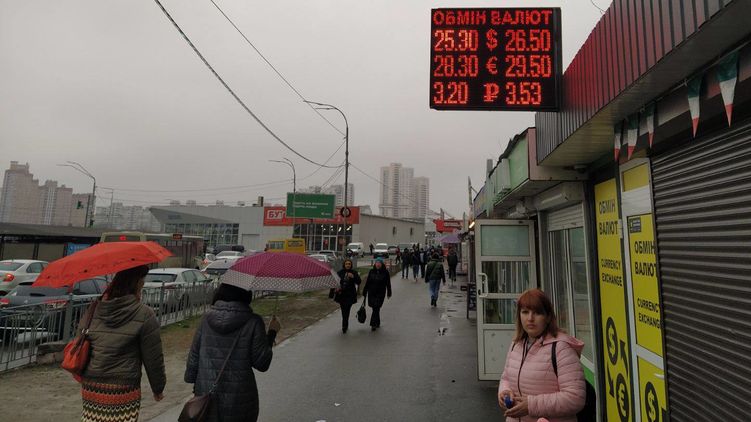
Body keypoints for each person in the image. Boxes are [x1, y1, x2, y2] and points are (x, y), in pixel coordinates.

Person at [79, 264, 165, 422]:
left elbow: (81, 339)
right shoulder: (145, 314)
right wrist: (158, 387)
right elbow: (153, 357)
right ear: (137, 283)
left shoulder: (94, 309)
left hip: (92, 385)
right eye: (142, 281)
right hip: (123, 387)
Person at [185, 283, 281, 422]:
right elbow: (262, 363)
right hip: (240, 398)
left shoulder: (206, 319)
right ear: (246, 294)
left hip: (206, 394)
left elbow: (194, 357)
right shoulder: (254, 322)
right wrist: (271, 333)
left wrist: (195, 383)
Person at [498, 289, 585, 422]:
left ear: (548, 317)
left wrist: (531, 405)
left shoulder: (561, 348)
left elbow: (575, 398)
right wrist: (504, 391)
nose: (530, 318)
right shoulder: (517, 344)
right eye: (525, 312)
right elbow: (506, 378)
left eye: (537, 313)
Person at [362, 258, 392, 331]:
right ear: (375, 264)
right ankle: (377, 322)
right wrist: (365, 291)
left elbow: (388, 283)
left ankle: (373, 324)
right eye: (377, 263)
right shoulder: (371, 271)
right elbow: (368, 282)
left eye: (379, 263)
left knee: (376, 307)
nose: (378, 264)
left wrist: (389, 292)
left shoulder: (385, 272)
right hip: (371, 293)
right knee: (375, 308)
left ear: (382, 264)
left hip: (380, 293)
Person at [334, 259, 362, 333]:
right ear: (344, 265)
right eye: (346, 264)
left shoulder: (354, 272)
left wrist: (353, 277)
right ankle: (345, 324)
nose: (348, 265)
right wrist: (337, 288)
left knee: (347, 309)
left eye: (349, 264)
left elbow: (359, 281)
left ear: (351, 265)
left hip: (350, 295)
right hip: (342, 295)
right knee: (343, 310)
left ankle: (344, 325)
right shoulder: (340, 272)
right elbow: (336, 282)